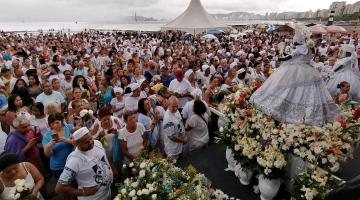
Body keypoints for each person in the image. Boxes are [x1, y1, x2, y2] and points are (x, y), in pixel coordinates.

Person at [250, 25, 340, 125]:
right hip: (309, 70)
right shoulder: (308, 48)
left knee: (289, 89)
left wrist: (276, 58)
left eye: (295, 39)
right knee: (306, 90)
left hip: (296, 71)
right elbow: (310, 58)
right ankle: (313, 114)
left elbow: (286, 58)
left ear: (298, 40)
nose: (294, 40)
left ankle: (285, 110)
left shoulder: (299, 49)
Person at [55, 127, 113, 200]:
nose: (91, 142)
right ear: (77, 144)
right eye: (86, 142)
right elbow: (59, 188)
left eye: (91, 138)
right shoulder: (74, 160)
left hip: (107, 192)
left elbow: (104, 157)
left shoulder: (97, 143)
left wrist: (113, 169)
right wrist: (82, 192)